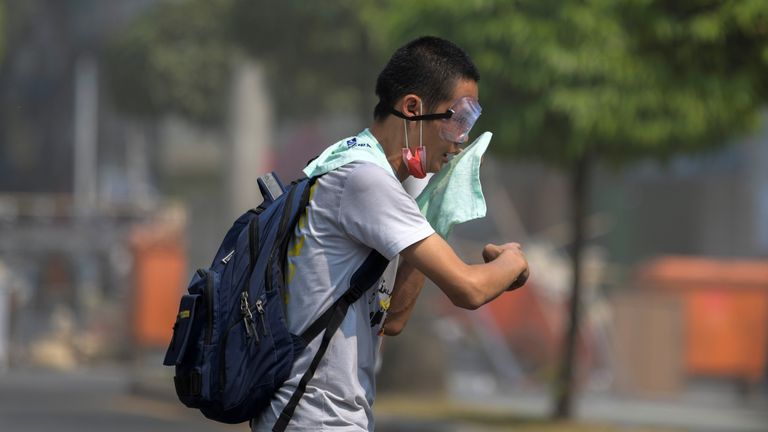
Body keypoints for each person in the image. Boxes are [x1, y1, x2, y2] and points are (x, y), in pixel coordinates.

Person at [252, 35, 528, 432]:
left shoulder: (348, 164)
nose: (461, 138)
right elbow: (468, 288)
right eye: (458, 119)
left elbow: (393, 317)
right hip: (313, 419)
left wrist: (436, 213)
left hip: (322, 418)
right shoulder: (365, 180)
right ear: (413, 108)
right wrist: (514, 260)